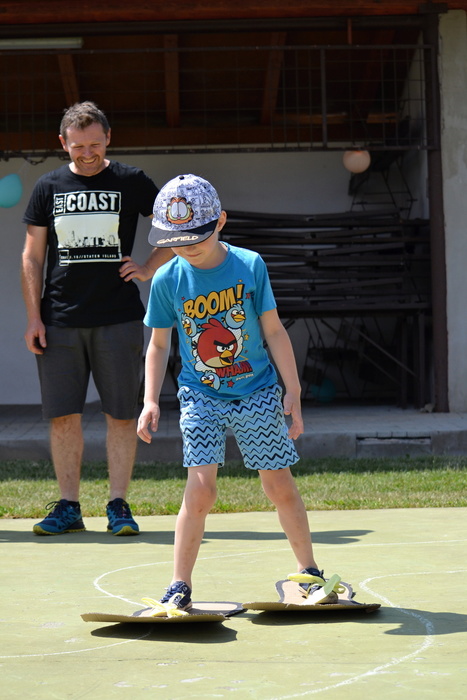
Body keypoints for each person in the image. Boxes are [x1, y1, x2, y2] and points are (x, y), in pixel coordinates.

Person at [137, 174, 339, 609]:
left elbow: (274, 330)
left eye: (196, 236)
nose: (187, 246)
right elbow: (158, 344)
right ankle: (179, 584)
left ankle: (309, 572)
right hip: (200, 395)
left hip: (257, 391)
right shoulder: (167, 279)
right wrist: (150, 399)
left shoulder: (249, 265)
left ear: (221, 221)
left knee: (278, 485)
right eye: (175, 240)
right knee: (201, 491)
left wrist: (293, 389)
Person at [21, 101, 173, 536]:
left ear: (108, 138)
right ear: (63, 143)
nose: (87, 153)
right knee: (62, 416)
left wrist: (148, 267)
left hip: (118, 317)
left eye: (94, 144)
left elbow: (173, 226)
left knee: (121, 415)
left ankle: (118, 505)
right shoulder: (48, 186)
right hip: (58, 319)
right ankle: (69, 507)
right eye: (77, 146)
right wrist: (34, 318)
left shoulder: (131, 180)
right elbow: (32, 256)